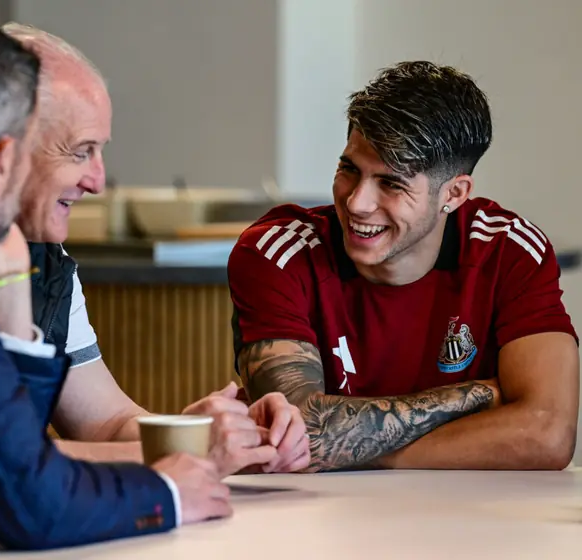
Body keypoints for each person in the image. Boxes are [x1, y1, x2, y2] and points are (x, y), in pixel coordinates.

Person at [0, 22, 310, 477]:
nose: (98, 182)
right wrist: (175, 460)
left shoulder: (43, 260)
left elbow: (105, 423)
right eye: (81, 151)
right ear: (7, 149)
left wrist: (200, 436)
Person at [228, 60, 579, 472]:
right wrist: (480, 395)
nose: (356, 202)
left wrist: (356, 450)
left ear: (454, 193)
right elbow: (295, 433)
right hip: (319, 508)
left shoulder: (509, 250)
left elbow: (548, 435)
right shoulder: (277, 252)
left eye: (391, 183)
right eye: (349, 169)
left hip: (475, 508)